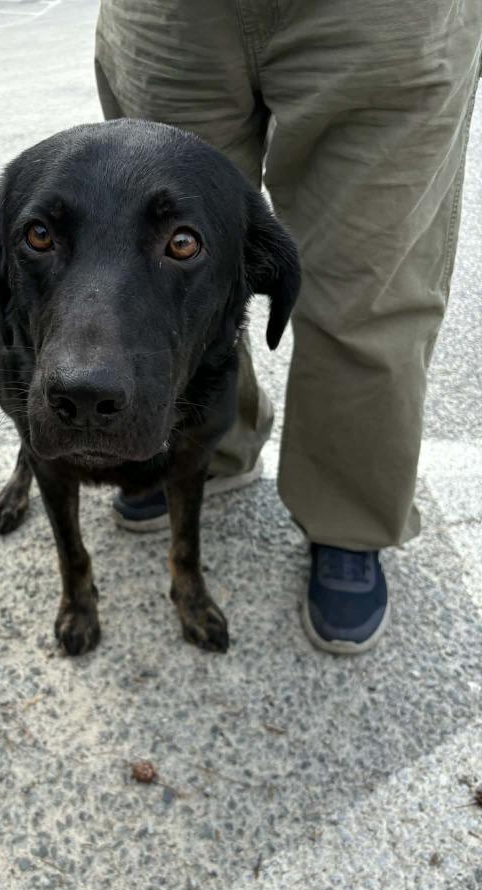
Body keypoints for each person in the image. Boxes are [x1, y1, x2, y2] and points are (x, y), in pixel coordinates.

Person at [94, 0, 481, 654]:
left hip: (384, 18)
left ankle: (348, 518)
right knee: (172, 267)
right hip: (173, 17)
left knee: (369, 289)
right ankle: (209, 446)